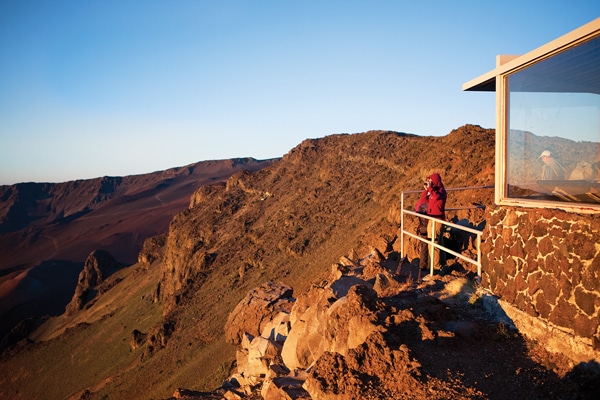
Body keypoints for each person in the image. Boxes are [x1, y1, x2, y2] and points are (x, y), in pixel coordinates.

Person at [415, 173, 447, 273]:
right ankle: (441, 263)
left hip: (437, 220)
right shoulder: (433, 191)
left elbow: (436, 197)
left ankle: (436, 267)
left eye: (431, 181)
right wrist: (426, 190)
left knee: (434, 243)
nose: (430, 183)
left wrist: (430, 189)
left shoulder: (441, 191)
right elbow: (424, 200)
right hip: (431, 219)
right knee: (437, 242)